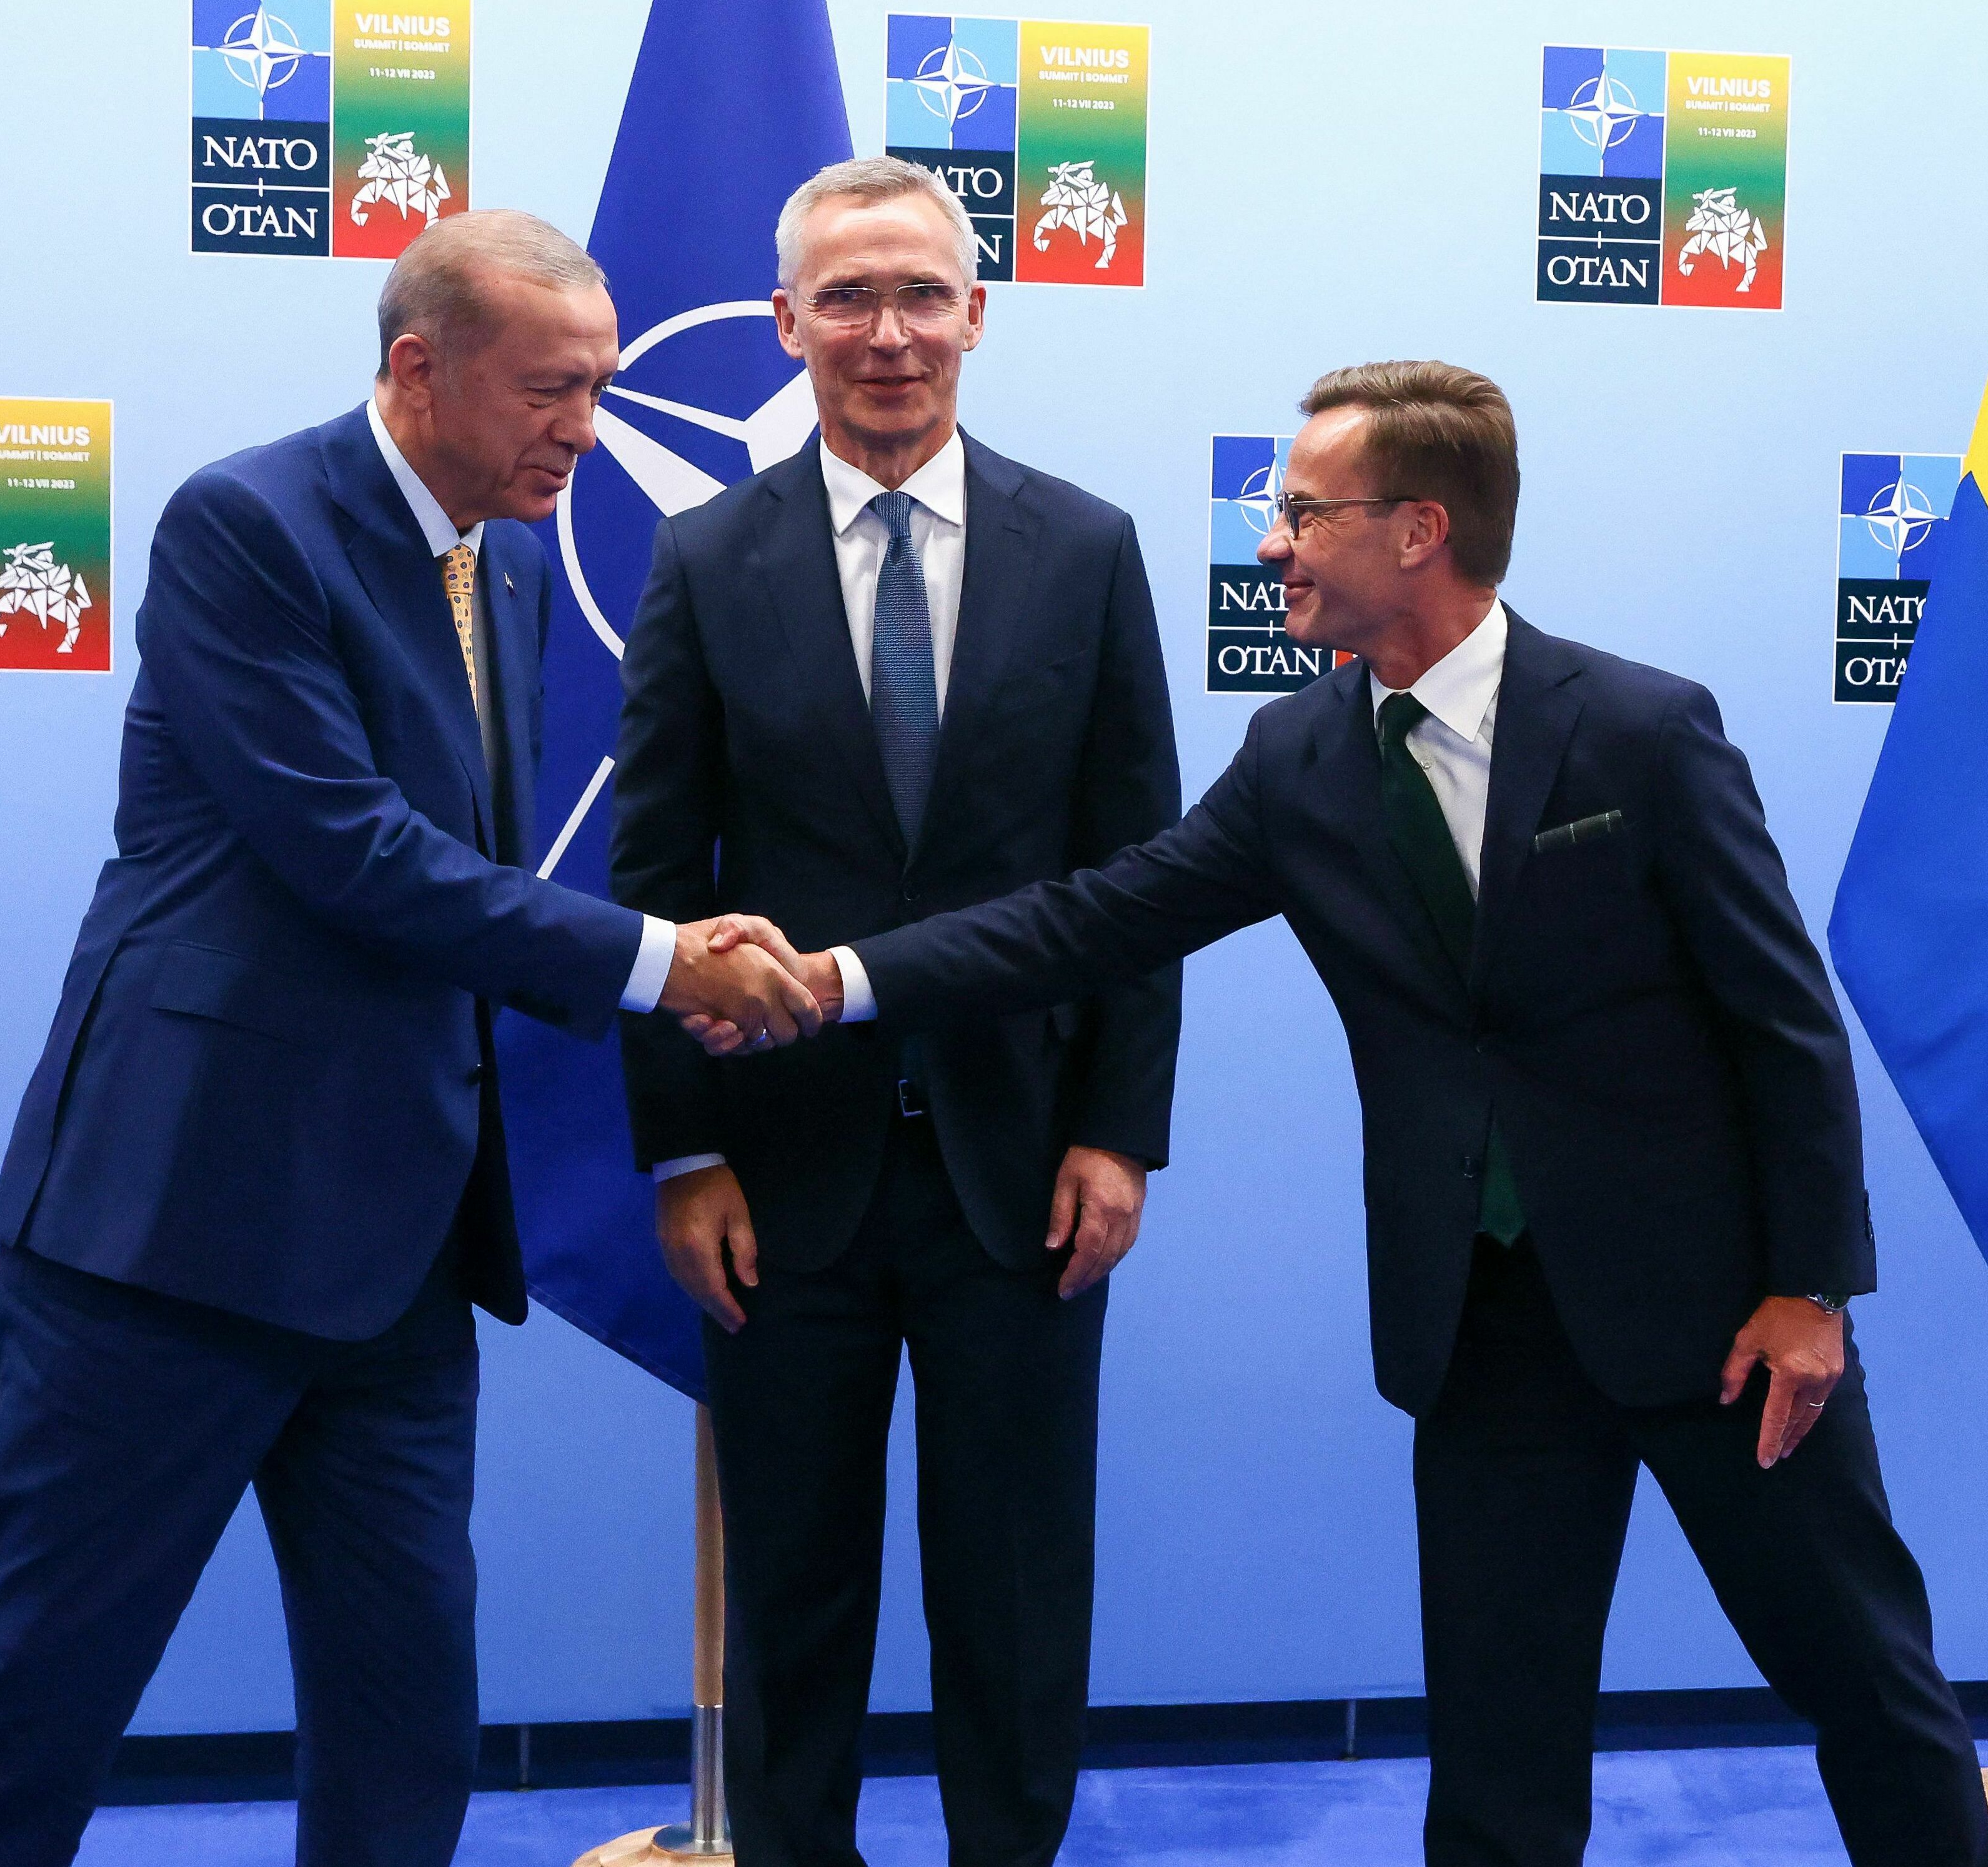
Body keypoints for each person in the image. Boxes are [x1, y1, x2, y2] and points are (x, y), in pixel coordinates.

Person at [704, 361, 1988, 1866]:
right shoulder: (1298, 756)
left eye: (1303, 514)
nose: (1272, 546)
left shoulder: (1639, 731)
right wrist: (841, 977)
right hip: (1481, 1330)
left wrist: (1807, 1287)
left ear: (1416, 531)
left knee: (1862, 1681)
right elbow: (1087, 921)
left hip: (1718, 1320)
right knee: (1497, 1748)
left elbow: (1783, 1025)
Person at [0, 211, 819, 1867]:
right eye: (549, 391)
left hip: (398, 1249)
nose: (584, 431)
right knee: (35, 1698)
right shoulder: (249, 524)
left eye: (598, 388)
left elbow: (469, 879)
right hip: (168, 1235)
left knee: (405, 1712)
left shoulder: (510, 564)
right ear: (415, 365)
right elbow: (358, 855)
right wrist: (668, 962)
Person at [609, 156, 1181, 1867]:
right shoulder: (707, 557)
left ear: (977, 315)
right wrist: (681, 1150)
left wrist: (1120, 1127)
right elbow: (652, 883)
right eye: (845, 298)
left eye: (920, 293)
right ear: (784, 323)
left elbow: (1139, 871)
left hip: (1027, 1174)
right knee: (795, 1588)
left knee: (1016, 1588)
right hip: (779, 1181)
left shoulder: (1085, 548)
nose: (887, 333)